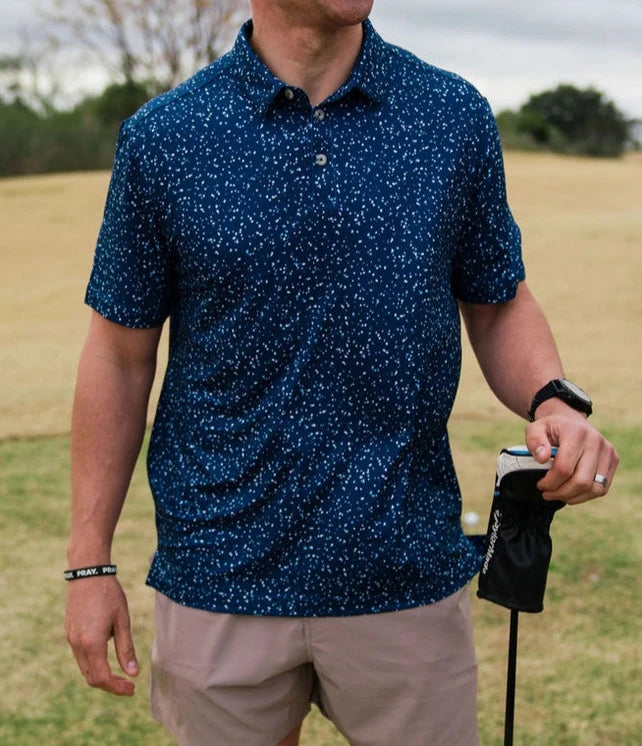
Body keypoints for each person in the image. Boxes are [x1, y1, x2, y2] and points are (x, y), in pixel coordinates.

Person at [64, 2, 619, 745]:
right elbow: (119, 356)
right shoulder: (166, 137)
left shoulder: (451, 116)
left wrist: (555, 399)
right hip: (220, 573)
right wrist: (88, 564)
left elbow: (497, 301)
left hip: (405, 570)